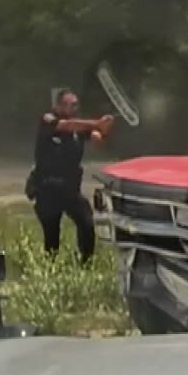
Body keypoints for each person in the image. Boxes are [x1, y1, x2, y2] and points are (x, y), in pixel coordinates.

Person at [29, 88, 114, 263]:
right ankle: (50, 268)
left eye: (76, 104)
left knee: (86, 223)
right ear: (59, 105)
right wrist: (96, 123)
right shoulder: (48, 120)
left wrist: (103, 128)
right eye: (71, 104)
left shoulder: (79, 127)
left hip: (69, 189)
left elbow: (96, 137)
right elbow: (66, 126)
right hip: (48, 188)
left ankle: (86, 262)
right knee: (52, 235)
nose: (75, 107)